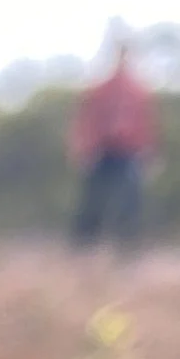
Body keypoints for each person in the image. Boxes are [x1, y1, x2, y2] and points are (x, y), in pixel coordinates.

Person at [70, 44, 160, 249]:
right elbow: (87, 119)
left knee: (131, 202)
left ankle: (128, 248)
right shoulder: (100, 89)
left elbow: (147, 124)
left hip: (129, 152)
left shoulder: (139, 92)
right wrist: (84, 148)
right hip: (101, 151)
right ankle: (83, 248)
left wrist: (149, 153)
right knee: (93, 201)